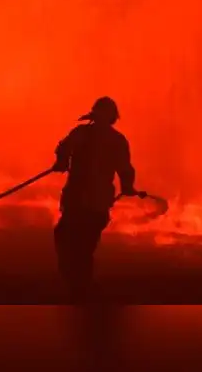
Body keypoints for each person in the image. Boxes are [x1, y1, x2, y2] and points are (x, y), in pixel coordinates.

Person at [51, 96, 143, 302]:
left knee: (71, 241)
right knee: (80, 243)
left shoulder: (84, 133)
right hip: (92, 202)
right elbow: (125, 170)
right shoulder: (116, 140)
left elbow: (64, 148)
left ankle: (76, 286)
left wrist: (62, 161)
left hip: (81, 201)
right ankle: (79, 286)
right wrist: (127, 187)